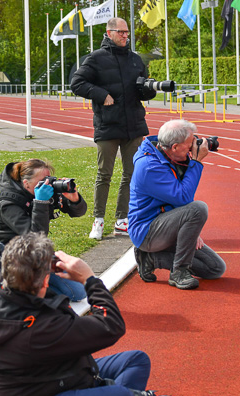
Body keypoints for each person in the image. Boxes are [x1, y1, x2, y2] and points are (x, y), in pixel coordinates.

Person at [0, 232, 182, 396]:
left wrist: (37, 263)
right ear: (46, 280)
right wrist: (89, 279)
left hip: (59, 377)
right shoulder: (40, 329)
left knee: (136, 360)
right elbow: (112, 325)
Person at [71, 17, 157, 240]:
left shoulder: (136, 60)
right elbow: (77, 83)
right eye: (121, 32)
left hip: (134, 126)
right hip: (108, 125)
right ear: (109, 33)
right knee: (104, 174)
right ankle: (98, 220)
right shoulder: (96, 59)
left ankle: (122, 220)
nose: (125, 36)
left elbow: (141, 89)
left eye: (127, 32)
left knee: (132, 174)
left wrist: (149, 89)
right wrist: (101, 95)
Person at [128, 119, 226, 290]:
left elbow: (178, 200)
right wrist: (196, 162)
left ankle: (152, 259)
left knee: (215, 268)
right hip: (147, 230)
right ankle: (178, 272)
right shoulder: (149, 166)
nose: (192, 149)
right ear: (174, 147)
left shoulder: (169, 155)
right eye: (189, 145)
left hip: (168, 223)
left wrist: (191, 229)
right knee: (198, 208)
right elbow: (183, 197)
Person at [0, 158, 88, 301]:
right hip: (7, 255)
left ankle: (26, 290)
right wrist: (40, 203)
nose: (47, 185)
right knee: (67, 294)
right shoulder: (7, 203)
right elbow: (36, 237)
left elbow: (78, 212)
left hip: (34, 254)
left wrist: (74, 199)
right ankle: (10, 287)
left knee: (78, 291)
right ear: (26, 183)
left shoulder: (44, 192)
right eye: (41, 182)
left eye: (48, 179)